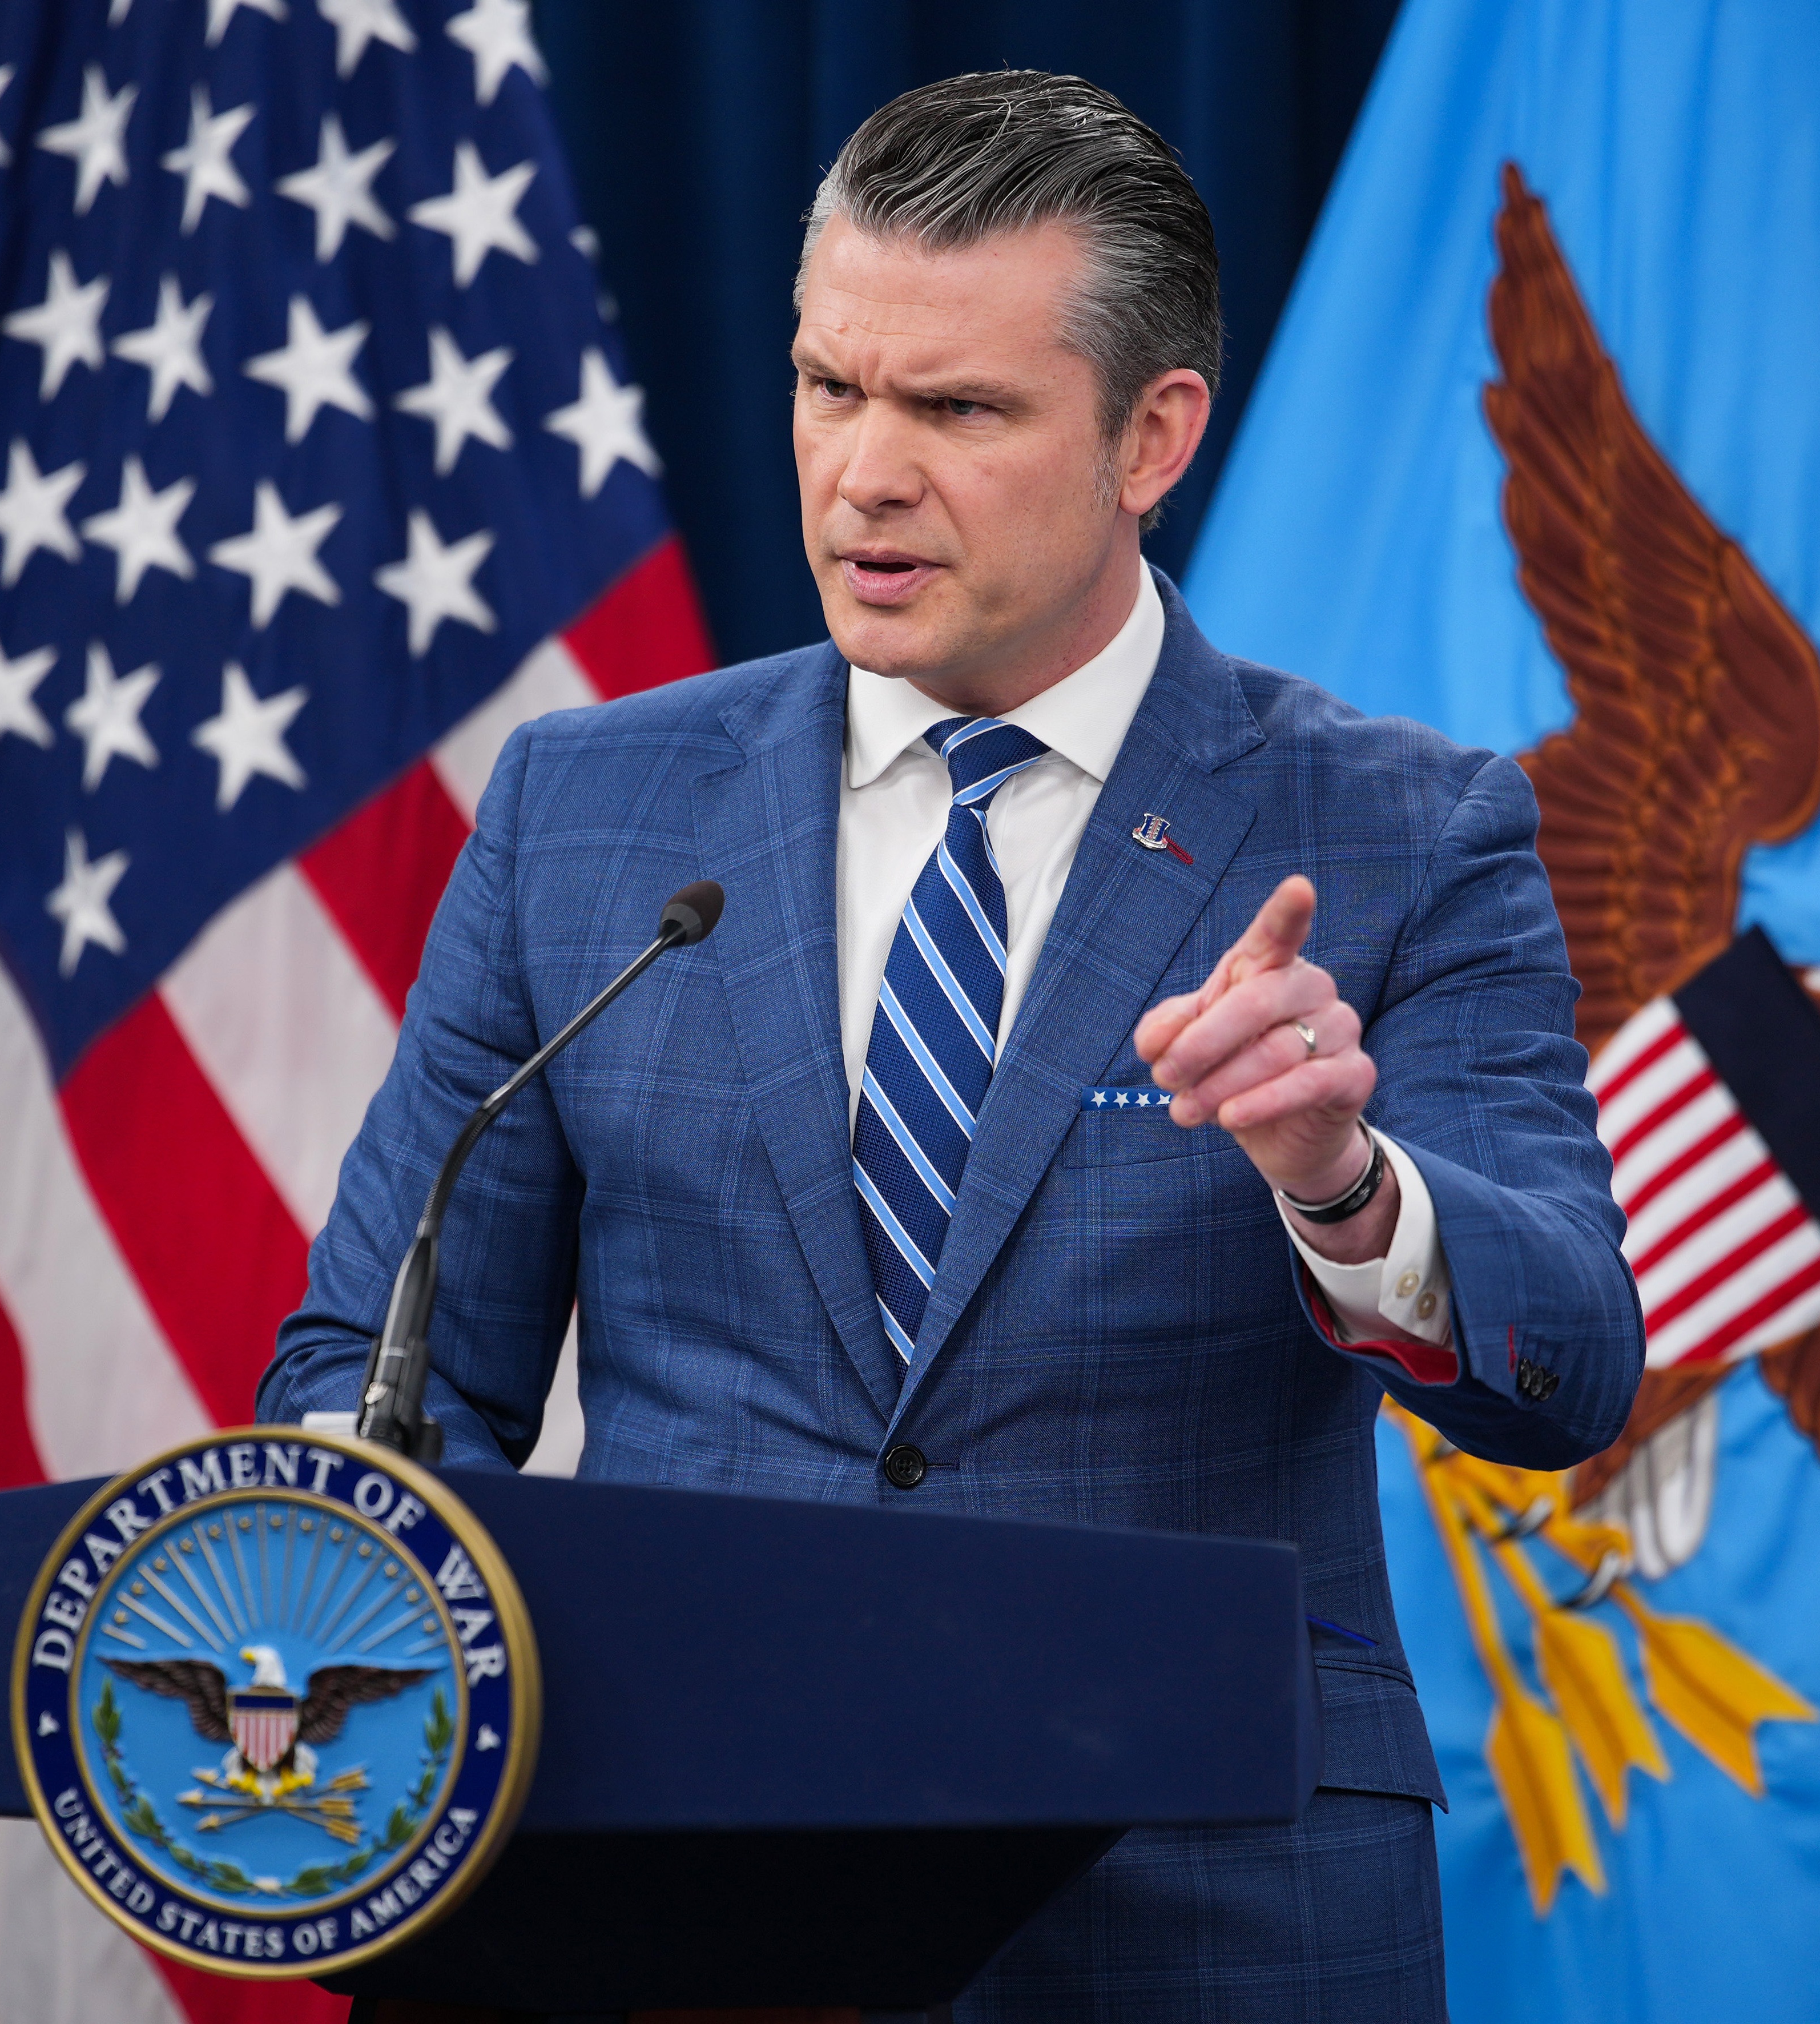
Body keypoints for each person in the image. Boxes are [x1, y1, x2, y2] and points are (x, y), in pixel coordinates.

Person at [263, 69, 1641, 2019]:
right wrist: (358, 1631)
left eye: (958, 410)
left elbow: (1570, 1358)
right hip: (666, 1892)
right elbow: (384, 1364)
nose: (862, 475)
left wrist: (1346, 1190)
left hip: (1201, 1905)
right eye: (834, 387)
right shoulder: (589, 810)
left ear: (1152, 435)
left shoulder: (1403, 830)